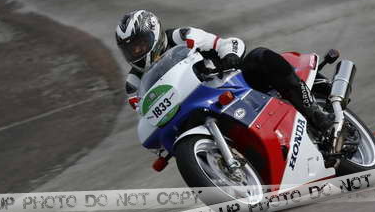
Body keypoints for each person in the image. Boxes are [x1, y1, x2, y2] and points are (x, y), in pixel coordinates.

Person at [115, 10, 333, 134]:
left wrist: (230, 57)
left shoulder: (181, 36)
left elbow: (226, 43)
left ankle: (314, 113)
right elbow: (146, 115)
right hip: (189, 114)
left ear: (154, 34)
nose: (137, 52)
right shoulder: (133, 84)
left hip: (228, 85)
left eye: (140, 44)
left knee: (259, 57)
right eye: (131, 49)